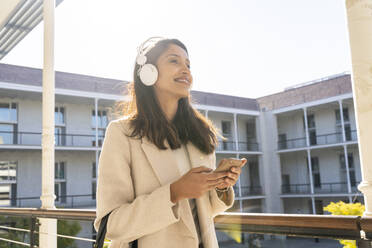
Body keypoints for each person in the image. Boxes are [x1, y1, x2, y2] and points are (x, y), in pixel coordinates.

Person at [94, 37, 246, 248]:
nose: (186, 70)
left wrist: (219, 186)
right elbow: (112, 224)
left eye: (188, 64)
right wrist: (174, 192)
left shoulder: (199, 134)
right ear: (148, 72)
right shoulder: (122, 134)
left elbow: (200, 213)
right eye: (174, 61)